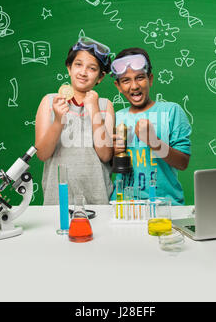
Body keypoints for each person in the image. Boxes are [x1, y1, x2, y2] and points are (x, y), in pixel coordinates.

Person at [35, 36, 114, 205]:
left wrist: (93, 109)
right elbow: (42, 154)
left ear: (100, 77)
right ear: (69, 68)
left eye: (92, 68)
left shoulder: (105, 105)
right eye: (78, 65)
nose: (83, 72)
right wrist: (58, 120)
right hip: (58, 199)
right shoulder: (49, 102)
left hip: (97, 198)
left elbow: (106, 155)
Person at [111, 47, 191, 205]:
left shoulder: (171, 111)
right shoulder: (116, 117)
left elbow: (182, 163)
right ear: (118, 86)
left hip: (165, 205)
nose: (134, 86)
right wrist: (112, 155)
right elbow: (109, 167)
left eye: (140, 77)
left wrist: (154, 142)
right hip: (123, 206)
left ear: (151, 79)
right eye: (126, 80)